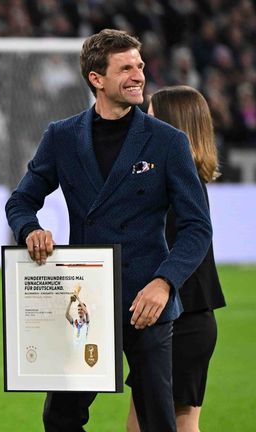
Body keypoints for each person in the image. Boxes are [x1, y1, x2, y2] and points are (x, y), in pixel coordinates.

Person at [5, 29, 212, 431]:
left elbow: (197, 227)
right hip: (85, 301)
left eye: (139, 66)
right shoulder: (61, 136)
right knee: (60, 418)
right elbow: (20, 201)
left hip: (147, 303)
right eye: (125, 68)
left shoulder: (169, 142)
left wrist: (165, 282)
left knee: (157, 421)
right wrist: (30, 229)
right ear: (96, 79)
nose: (138, 75)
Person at [126, 86, 226, 432]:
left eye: (151, 116)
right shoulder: (183, 179)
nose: (144, 124)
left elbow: (193, 240)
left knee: (171, 426)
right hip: (182, 318)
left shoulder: (179, 183)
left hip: (183, 319)